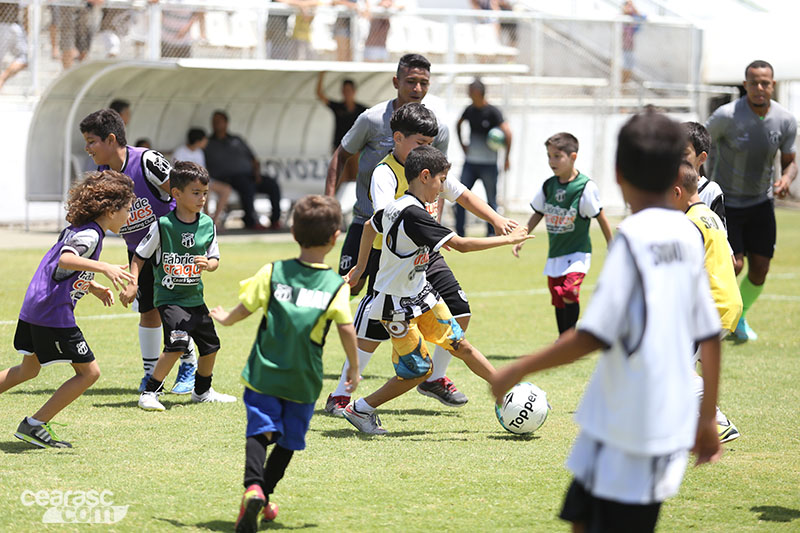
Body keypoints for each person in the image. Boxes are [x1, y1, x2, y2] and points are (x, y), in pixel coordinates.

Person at [492, 110, 723, 532]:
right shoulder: (686, 235)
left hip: (626, 422)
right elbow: (710, 334)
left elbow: (593, 335)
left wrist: (519, 367)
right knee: (582, 518)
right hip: (643, 421)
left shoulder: (633, 237)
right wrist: (706, 418)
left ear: (618, 175)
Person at [325, 103, 520, 415]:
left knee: (459, 310)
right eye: (420, 143)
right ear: (398, 139)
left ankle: (435, 379)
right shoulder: (386, 174)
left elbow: (463, 194)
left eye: (430, 143)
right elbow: (380, 221)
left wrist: (497, 220)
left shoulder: (431, 168)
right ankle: (342, 395)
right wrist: (363, 265)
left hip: (425, 253)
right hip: (390, 256)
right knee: (374, 329)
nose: (426, 148)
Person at [209, 195, 359, 531]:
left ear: (293, 232)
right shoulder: (336, 286)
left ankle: (253, 489)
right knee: (289, 440)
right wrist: (353, 367)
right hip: (303, 382)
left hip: (264, 372)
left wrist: (226, 319)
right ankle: (264, 491)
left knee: (259, 430)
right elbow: (347, 329)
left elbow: (245, 308)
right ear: (335, 238)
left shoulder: (273, 272)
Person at [2, 171, 135, 448]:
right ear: (110, 210)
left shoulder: (79, 228)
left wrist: (92, 286)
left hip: (35, 306)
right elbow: (66, 258)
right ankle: (34, 425)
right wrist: (105, 267)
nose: (129, 215)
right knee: (89, 373)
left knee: (28, 370)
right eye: (126, 209)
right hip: (52, 313)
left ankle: (34, 425)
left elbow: (61, 270)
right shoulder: (89, 235)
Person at [80, 109, 198, 395]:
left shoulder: (147, 161)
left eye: (91, 141)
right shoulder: (102, 176)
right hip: (137, 253)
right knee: (148, 313)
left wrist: (189, 237)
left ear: (111, 139)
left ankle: (189, 365)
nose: (87, 148)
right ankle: (150, 375)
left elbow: (182, 194)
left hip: (169, 247)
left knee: (173, 310)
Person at [126, 162, 235, 410]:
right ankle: (149, 393)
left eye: (205, 193)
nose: (202, 198)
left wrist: (209, 264)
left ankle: (202, 391)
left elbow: (215, 258)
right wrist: (133, 283)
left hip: (194, 298)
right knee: (177, 344)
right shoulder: (163, 225)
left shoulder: (207, 224)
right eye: (196, 193)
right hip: (168, 297)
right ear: (176, 194)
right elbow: (140, 255)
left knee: (211, 346)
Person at [706, 60, 797, 341]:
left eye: (765, 82)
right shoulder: (726, 115)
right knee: (734, 265)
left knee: (760, 269)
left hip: (761, 203)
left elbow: (791, 161)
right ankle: (715, 321)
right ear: (745, 85)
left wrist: (786, 180)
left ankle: (740, 316)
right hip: (727, 203)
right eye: (754, 82)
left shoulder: (785, 120)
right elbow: (698, 144)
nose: (760, 88)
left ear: (773, 85)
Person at [512, 132, 612, 335]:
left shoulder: (584, 186)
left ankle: (570, 338)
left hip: (577, 253)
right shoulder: (549, 185)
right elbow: (538, 212)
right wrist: (520, 237)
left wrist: (612, 243)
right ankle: (564, 338)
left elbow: (599, 216)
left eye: (557, 156)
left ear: (573, 157)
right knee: (557, 296)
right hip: (556, 254)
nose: (552, 161)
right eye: (549, 156)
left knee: (569, 291)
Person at [670, 161, 741, 443]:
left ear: (676, 193)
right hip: (723, 303)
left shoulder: (690, 223)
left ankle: (718, 422)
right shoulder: (708, 215)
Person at [204, 110, 283, 230]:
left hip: (250, 174)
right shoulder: (208, 143)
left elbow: (253, 159)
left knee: (272, 185)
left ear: (226, 123)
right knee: (247, 187)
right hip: (228, 177)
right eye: (214, 122)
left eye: (219, 121)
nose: (216, 124)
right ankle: (251, 221)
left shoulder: (237, 140)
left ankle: (275, 220)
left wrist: (257, 174)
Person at [455, 78, 513, 237]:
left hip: (489, 164)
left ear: (478, 92)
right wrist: (463, 145)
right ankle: (460, 232)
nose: (468, 94)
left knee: (491, 200)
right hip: (471, 163)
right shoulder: (469, 110)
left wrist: (506, 157)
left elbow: (508, 133)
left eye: (470, 91)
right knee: (459, 197)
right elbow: (458, 124)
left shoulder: (493, 112)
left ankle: (492, 233)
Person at [174, 127, 232, 228]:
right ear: (198, 141)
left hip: (200, 180)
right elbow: (177, 171)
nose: (206, 142)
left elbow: (203, 170)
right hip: (186, 182)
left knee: (226, 189)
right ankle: (206, 218)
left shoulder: (199, 152)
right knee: (204, 190)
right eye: (204, 139)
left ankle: (214, 220)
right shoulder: (180, 152)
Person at [682, 121, 725, 226]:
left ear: (701, 158)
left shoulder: (711, 191)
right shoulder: (665, 190)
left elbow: (719, 236)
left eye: (684, 153)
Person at [316, 73, 368, 153]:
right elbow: (320, 94)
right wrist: (321, 75)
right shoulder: (338, 107)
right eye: (344, 91)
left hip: (356, 149)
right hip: (339, 148)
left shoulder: (362, 110)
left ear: (354, 91)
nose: (346, 93)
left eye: (348, 90)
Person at [0, 2, 28, 91]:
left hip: (11, 25)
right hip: (9, 26)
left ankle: (2, 78)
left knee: (23, 59)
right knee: (23, 58)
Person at [621, 1, 644, 85]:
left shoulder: (632, 18)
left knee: (629, 68)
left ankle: (623, 86)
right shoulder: (621, 18)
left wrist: (634, 8)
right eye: (628, 6)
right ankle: (621, 87)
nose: (629, 8)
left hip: (630, 48)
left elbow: (642, 17)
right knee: (623, 68)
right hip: (622, 48)